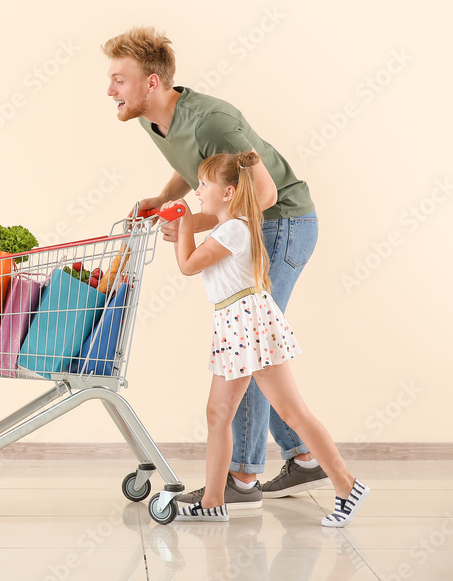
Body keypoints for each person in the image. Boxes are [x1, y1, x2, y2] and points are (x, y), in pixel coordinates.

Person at [103, 27, 326, 509]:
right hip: (259, 224)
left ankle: (242, 478)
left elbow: (262, 194)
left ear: (152, 82)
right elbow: (197, 164)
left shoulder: (212, 122)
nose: (110, 90)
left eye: (119, 80)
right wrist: (165, 199)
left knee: (248, 347)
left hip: (281, 224)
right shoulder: (151, 119)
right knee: (256, 352)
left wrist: (193, 222)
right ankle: (305, 458)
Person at [165, 151, 368, 526]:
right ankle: (212, 501)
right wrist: (186, 227)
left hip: (249, 324)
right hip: (233, 324)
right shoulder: (228, 227)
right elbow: (194, 257)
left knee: (292, 412)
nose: (197, 191)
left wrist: (185, 225)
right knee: (217, 413)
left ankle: (347, 485)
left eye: (204, 184)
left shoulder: (233, 229)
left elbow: (189, 265)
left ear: (228, 193)